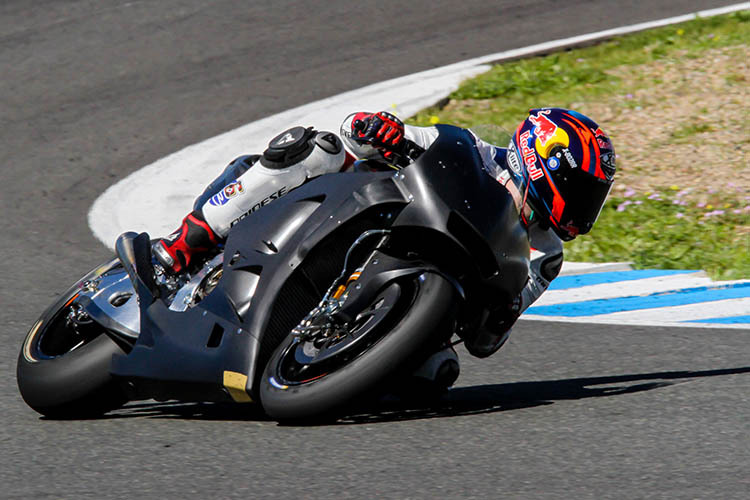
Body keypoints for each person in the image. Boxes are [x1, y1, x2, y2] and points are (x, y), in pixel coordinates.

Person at [153, 107, 615, 363]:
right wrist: (383, 131)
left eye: (591, 197)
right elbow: (356, 130)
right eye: (582, 190)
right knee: (318, 148)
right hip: (349, 220)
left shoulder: (545, 254)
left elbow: (485, 345)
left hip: (416, 301)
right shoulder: (472, 149)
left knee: (438, 375)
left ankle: (328, 359)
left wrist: (502, 314)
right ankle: (182, 247)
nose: (582, 207)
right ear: (543, 161)